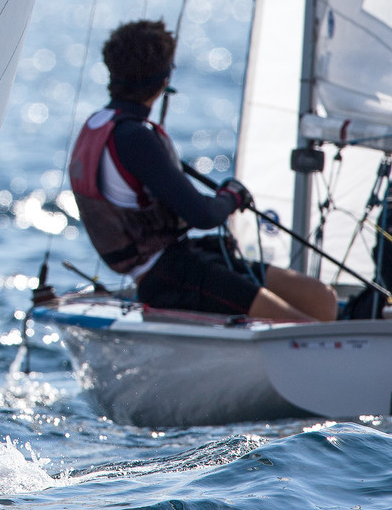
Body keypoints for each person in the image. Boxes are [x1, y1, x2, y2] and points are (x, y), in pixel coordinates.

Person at [69, 20, 336, 322]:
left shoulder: (100, 124)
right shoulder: (133, 138)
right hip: (167, 276)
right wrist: (231, 196)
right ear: (163, 80)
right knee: (303, 326)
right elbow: (204, 216)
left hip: (185, 259)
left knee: (322, 299)